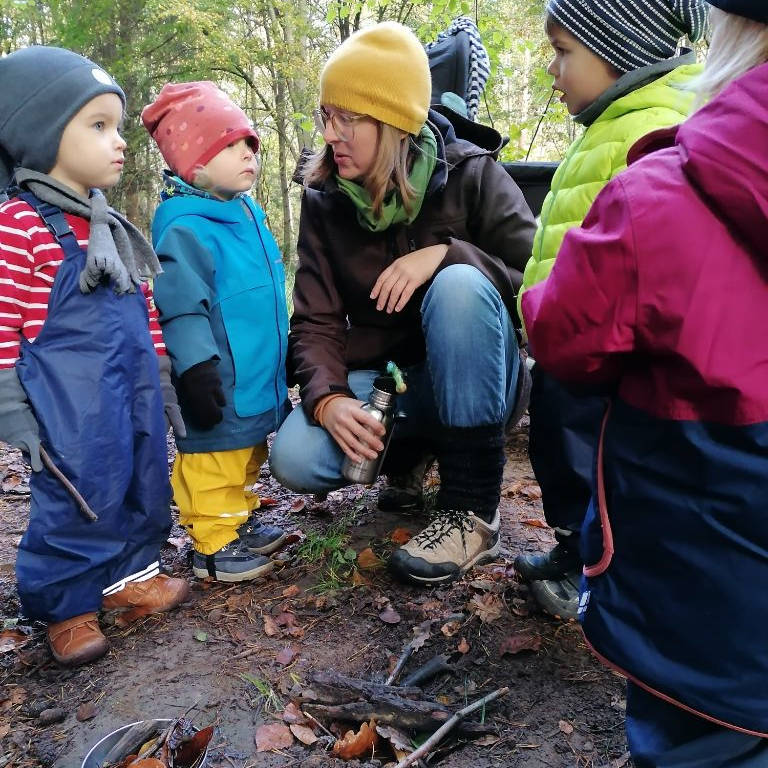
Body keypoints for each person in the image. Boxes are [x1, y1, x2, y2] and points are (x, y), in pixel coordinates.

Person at [522, 1, 768, 763]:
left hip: (703, 597)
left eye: (564, 50)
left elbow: (563, 337)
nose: (553, 71)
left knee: (698, 736)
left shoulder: (656, 189)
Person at [269, 22, 536, 585]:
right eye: (325, 115)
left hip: (481, 381)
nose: (331, 133)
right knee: (293, 457)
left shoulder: (471, 174)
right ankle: (411, 455)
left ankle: (471, 510)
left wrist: (446, 254)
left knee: (459, 286)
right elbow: (315, 321)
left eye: (348, 118)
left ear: (393, 122)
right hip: (393, 389)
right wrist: (329, 401)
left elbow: (538, 278)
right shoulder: (324, 199)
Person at [513, 0, 707, 620]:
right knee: (567, 450)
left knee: (592, 461)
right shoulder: (611, 124)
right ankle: (580, 551)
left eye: (564, 51)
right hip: (575, 345)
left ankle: (598, 572)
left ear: (618, 50)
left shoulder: (645, 131)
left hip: (603, 361)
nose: (553, 70)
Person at [0, 47, 189, 666]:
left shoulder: (111, 225)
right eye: (98, 126)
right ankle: (65, 604)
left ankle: (131, 574)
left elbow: (145, 306)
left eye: (119, 126)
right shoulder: (20, 227)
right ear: (42, 135)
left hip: (129, 386)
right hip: (67, 402)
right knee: (77, 493)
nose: (119, 142)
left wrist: (161, 376)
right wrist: (11, 409)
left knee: (141, 478)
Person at [142, 82, 290, 583]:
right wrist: (196, 367)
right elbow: (181, 307)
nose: (247, 153)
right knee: (214, 460)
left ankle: (239, 519)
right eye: (229, 145)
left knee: (248, 452)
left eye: (249, 143)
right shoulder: (184, 226)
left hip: (252, 371)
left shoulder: (248, 214)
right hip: (216, 375)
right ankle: (211, 543)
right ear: (194, 166)